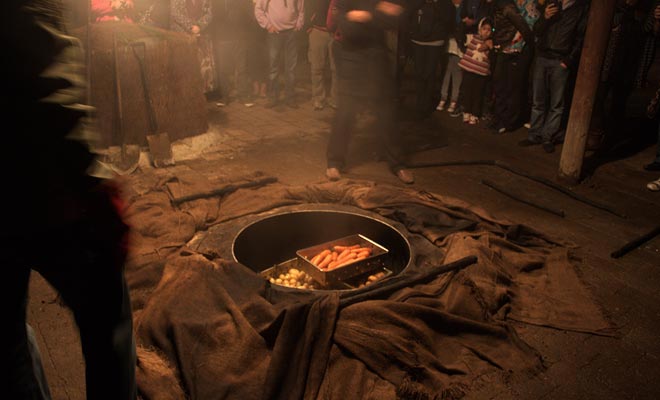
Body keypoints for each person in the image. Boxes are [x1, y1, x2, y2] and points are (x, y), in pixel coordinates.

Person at [1, 1, 137, 399]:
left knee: (9, 342)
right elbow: (47, 86)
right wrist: (93, 182)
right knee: (108, 320)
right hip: (47, 195)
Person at [325, 0, 414, 184]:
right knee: (346, 112)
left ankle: (397, 164)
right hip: (350, 56)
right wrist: (377, 13)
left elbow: (393, 21)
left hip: (376, 56)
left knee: (386, 112)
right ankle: (334, 162)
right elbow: (348, 28)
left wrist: (365, 15)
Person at [518, 0, 588, 153]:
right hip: (543, 56)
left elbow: (580, 38)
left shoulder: (580, 9)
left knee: (556, 103)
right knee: (538, 100)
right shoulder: (552, 3)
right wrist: (545, 17)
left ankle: (548, 136)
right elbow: (537, 30)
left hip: (560, 59)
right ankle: (534, 135)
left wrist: (569, 60)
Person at [490, 0, 536, 134]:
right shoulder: (509, 4)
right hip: (505, 48)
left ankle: (507, 121)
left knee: (512, 87)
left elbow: (526, 28)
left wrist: (527, 47)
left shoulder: (520, 6)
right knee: (500, 85)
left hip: (517, 51)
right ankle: (499, 118)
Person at [254, 0, 305, 108]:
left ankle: (290, 98)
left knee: (290, 69)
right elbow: (258, 9)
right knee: (273, 68)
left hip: (291, 33)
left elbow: (301, 9)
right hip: (274, 34)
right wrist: (268, 26)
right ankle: (273, 98)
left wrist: (299, 24)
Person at [408, 0, 455, 118]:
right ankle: (419, 104)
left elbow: (448, 18)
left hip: (435, 41)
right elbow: (409, 10)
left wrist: (436, 3)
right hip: (418, 40)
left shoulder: (445, 3)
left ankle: (426, 106)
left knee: (429, 73)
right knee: (419, 73)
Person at [210, 0, 255, 107]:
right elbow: (213, 15)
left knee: (242, 68)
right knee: (223, 69)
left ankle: (243, 96)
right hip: (223, 38)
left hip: (240, 37)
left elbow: (250, 15)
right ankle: (224, 96)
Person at [170, 0, 216, 95]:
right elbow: (175, 13)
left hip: (201, 35)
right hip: (181, 35)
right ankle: (185, 91)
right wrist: (191, 27)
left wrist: (199, 26)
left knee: (201, 64)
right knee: (184, 65)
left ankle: (202, 91)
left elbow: (210, 13)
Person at [458, 17, 493, 125]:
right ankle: (466, 111)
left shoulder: (490, 42)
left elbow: (491, 55)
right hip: (469, 70)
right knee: (468, 91)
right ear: (479, 29)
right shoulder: (473, 38)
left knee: (478, 93)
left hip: (481, 73)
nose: (486, 32)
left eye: (489, 30)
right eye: (484, 29)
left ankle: (475, 113)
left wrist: (489, 45)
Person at [307, 0, 338, 110]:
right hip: (318, 31)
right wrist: (307, 24)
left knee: (336, 68)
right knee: (317, 67)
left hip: (336, 33)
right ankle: (318, 98)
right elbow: (306, 6)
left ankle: (335, 99)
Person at [437, 0, 464, 114]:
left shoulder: (465, 6)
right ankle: (443, 97)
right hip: (448, 41)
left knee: (457, 71)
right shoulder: (446, 4)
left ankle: (454, 99)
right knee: (447, 70)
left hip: (460, 42)